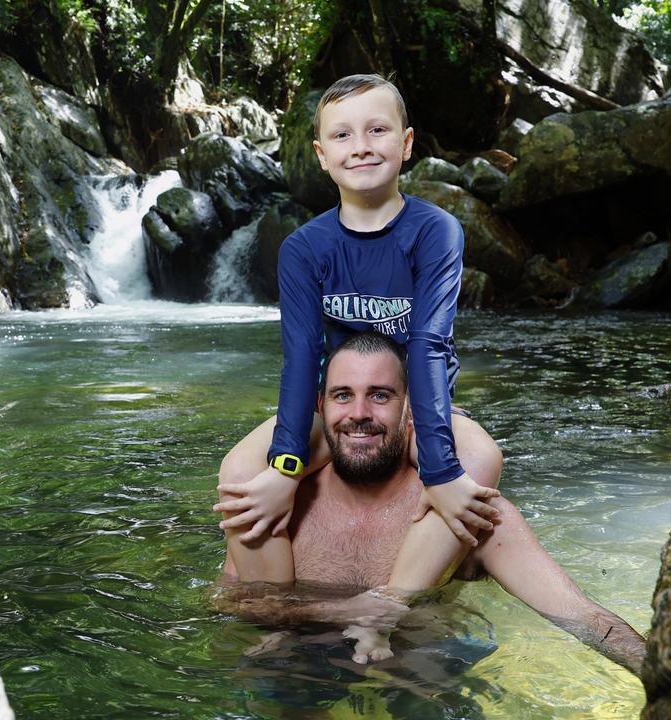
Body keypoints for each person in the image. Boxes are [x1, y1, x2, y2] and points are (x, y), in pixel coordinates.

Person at [214, 74, 503, 635]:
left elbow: (428, 343)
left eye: (377, 130)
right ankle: (282, 622)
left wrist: (441, 470)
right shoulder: (304, 248)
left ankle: (388, 607)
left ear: (407, 142)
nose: (362, 145)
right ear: (322, 155)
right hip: (337, 411)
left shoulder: (435, 231)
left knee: (482, 459)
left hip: (416, 407)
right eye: (343, 136)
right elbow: (300, 358)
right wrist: (285, 466)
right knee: (239, 469)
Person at [216, 332, 647, 675]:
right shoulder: (281, 503)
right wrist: (350, 610)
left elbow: (580, 615)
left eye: (380, 395)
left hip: (421, 668)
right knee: (270, 671)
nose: (359, 413)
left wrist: (665, 676)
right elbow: (233, 600)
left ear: (410, 410)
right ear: (319, 406)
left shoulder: (463, 511)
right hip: (301, 665)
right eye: (343, 395)